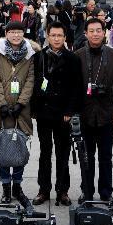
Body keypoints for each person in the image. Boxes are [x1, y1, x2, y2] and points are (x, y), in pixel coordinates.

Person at [76, 17, 113, 202]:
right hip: (85, 114)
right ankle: (87, 191)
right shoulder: (79, 55)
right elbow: (74, 87)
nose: (95, 34)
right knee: (86, 157)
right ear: (86, 33)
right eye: (91, 31)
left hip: (106, 113)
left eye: (99, 30)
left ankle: (106, 193)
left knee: (106, 157)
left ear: (104, 32)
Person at [0, 20, 39, 205]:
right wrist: (1, 104)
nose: (16, 35)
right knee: (2, 147)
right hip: (0, 109)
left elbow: (31, 80)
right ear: (6, 33)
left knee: (19, 148)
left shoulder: (30, 54)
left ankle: (17, 185)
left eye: (19, 32)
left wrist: (21, 103)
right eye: (12, 32)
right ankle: (5, 188)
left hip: (21, 110)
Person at [31, 21, 81, 207]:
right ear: (47, 36)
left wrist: (70, 110)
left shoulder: (73, 58)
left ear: (65, 37)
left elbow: (76, 87)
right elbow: (35, 82)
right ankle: (43, 189)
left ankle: (63, 190)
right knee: (45, 152)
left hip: (63, 114)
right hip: (44, 112)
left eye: (60, 35)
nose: (57, 38)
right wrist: (35, 108)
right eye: (53, 35)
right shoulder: (39, 57)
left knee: (63, 153)